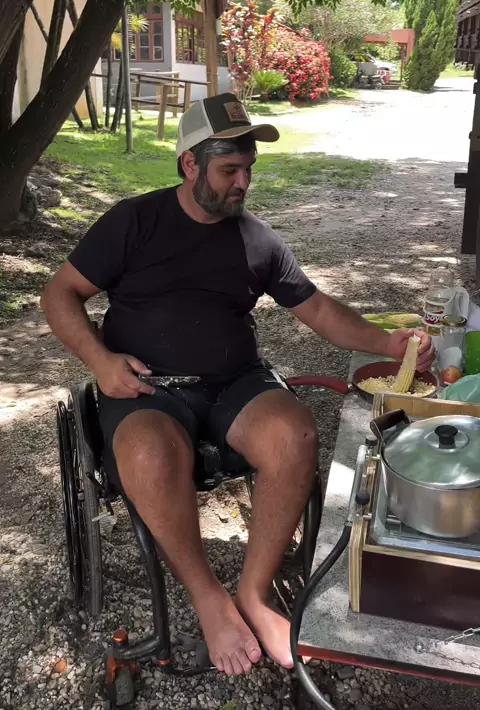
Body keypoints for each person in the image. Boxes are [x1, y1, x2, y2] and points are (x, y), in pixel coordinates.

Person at [41, 92, 434, 678]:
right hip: (148, 386)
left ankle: (252, 593)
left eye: (248, 169)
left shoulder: (256, 238)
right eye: (229, 170)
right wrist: (100, 361)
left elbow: (317, 309)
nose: (243, 183)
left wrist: (388, 343)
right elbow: (59, 294)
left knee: (294, 435)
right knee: (148, 452)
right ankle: (209, 599)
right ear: (190, 164)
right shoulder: (134, 222)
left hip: (234, 382)